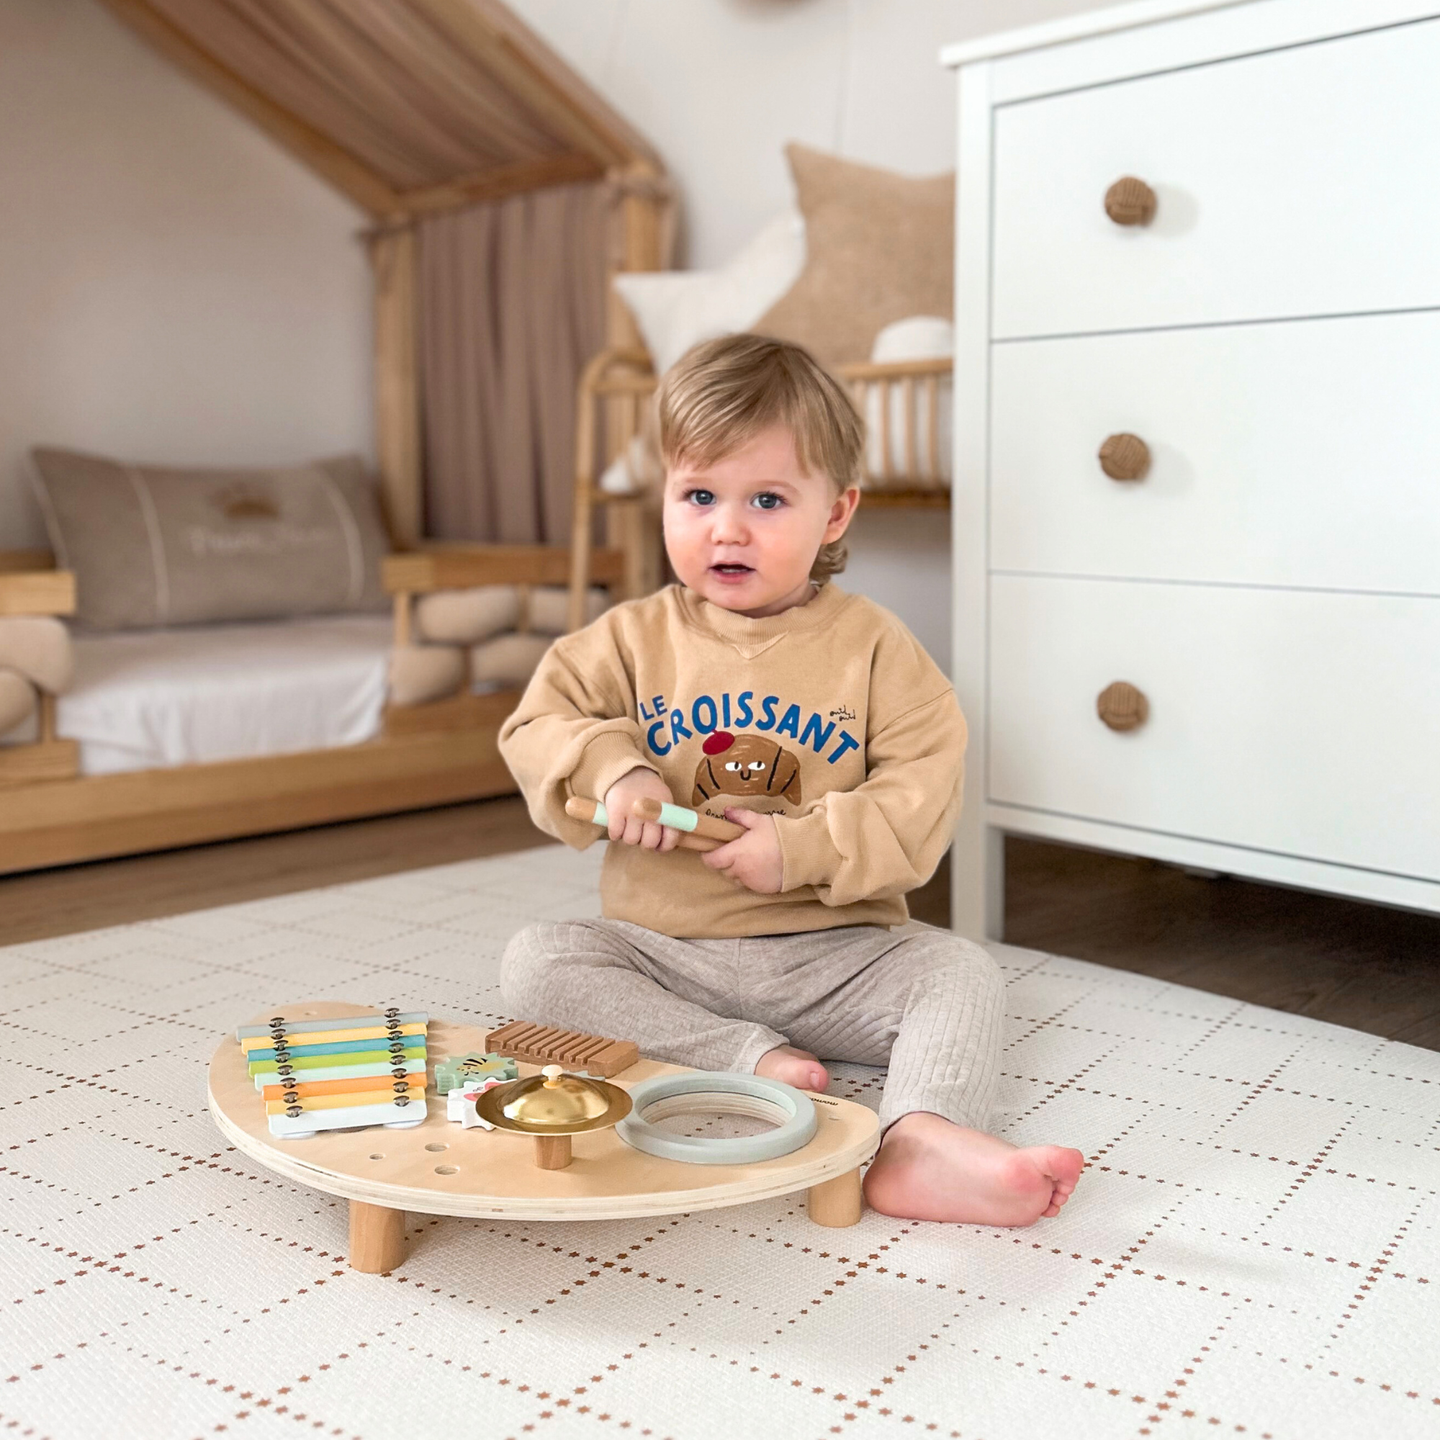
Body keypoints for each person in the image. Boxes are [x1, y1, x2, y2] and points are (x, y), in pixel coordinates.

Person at [497, 332, 1083, 1225]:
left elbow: (922, 798)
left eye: (767, 499)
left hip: (833, 954)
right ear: (665, 496)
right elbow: (539, 722)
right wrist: (616, 770)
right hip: (668, 952)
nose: (726, 527)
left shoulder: (879, 650)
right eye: (699, 495)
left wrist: (803, 847)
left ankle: (919, 1142)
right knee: (538, 961)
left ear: (836, 514)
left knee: (959, 974)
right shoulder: (628, 639)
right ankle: (746, 1059)